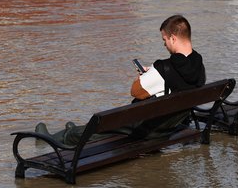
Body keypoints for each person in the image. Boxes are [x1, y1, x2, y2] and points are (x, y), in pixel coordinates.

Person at [35, 15, 206, 145]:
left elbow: (136, 91)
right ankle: (73, 130)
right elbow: (177, 83)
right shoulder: (198, 64)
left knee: (101, 126)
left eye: (164, 40)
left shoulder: (164, 68)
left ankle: (52, 138)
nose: (164, 45)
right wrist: (153, 75)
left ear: (173, 38)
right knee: (104, 128)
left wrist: (147, 75)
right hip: (167, 126)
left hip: (147, 129)